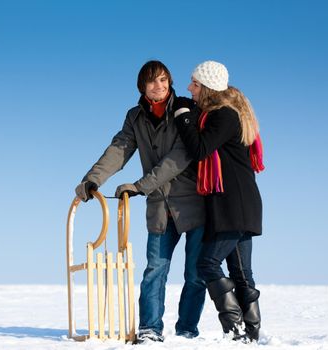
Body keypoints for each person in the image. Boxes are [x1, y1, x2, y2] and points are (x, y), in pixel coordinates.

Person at [74, 60, 206, 343]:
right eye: (152, 81)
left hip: (193, 204)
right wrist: (92, 180)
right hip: (159, 207)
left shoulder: (186, 109)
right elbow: (119, 149)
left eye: (163, 80)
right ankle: (150, 329)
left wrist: (140, 186)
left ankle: (186, 332)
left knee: (195, 274)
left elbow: (180, 158)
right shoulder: (135, 117)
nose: (159, 86)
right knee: (154, 271)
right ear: (142, 87)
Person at [174, 60, 265, 342]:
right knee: (240, 272)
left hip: (232, 204)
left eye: (195, 83)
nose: (189, 88)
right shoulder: (227, 113)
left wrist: (182, 115)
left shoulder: (223, 115)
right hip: (239, 202)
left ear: (208, 88)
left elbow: (200, 148)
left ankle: (235, 327)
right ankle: (251, 332)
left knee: (207, 264)